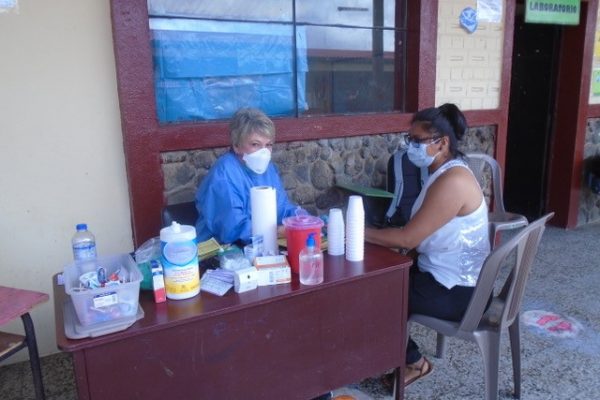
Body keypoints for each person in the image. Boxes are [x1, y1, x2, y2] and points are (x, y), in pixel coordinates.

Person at [365, 103, 491, 387]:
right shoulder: (445, 172)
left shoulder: (454, 181)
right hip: (449, 276)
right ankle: (385, 352)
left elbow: (409, 238)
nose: (410, 146)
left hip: (460, 291)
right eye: (409, 139)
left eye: (417, 141)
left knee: (377, 296)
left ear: (442, 143)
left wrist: (359, 232)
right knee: (377, 282)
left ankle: (415, 363)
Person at [195, 107, 299, 245]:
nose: (263, 152)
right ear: (237, 145)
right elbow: (232, 228)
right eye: (255, 144)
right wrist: (277, 231)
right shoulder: (224, 173)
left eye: (268, 145)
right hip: (222, 252)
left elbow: (282, 208)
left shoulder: (268, 170)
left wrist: (302, 220)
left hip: (260, 246)